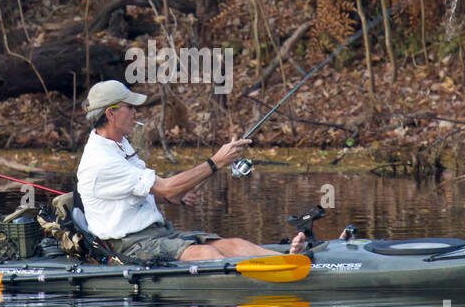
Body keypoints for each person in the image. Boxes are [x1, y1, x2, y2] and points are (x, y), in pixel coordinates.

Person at [76, 80, 307, 263]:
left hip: (155, 234)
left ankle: (288, 260)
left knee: (232, 245)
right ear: (110, 113)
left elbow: (153, 192)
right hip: (129, 245)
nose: (135, 112)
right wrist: (216, 161)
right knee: (206, 255)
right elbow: (166, 188)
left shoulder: (119, 144)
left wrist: (175, 195)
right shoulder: (101, 159)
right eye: (129, 107)